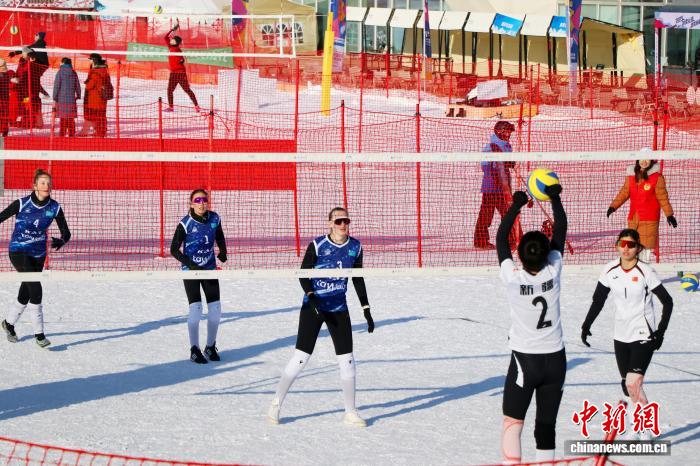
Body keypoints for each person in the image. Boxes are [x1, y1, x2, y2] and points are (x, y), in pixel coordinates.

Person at [268, 207, 374, 427]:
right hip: (314, 307)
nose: (343, 225)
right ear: (330, 223)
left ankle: (350, 412)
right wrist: (311, 296)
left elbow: (357, 278)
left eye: (346, 221)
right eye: (338, 221)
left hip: (338, 308)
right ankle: (276, 404)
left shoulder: (355, 247)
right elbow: (303, 274)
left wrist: (366, 308)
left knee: (347, 360)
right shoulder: (317, 245)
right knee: (301, 357)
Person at [496, 184, 567, 464]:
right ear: (547, 254)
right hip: (556, 360)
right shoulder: (554, 269)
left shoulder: (513, 277)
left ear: (520, 256)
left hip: (526, 361)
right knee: (546, 428)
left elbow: (501, 240)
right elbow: (560, 228)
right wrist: (554, 197)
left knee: (512, 424)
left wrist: (515, 206)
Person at [581, 228, 673, 438]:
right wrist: (586, 325)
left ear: (638, 248)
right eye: (622, 244)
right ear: (617, 245)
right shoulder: (609, 269)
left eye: (631, 245)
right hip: (621, 335)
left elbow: (668, 301)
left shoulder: (645, 272)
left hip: (643, 334)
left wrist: (660, 332)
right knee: (628, 385)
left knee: (633, 382)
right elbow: (598, 300)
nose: (626, 248)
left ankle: (644, 429)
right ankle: (639, 425)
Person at [0, 169, 71, 348]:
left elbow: (67, 233)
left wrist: (62, 240)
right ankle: (39, 334)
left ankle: (8, 324)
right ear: (35, 186)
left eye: (49, 183)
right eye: (42, 183)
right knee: (35, 288)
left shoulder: (54, 207)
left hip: (38, 254)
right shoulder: (21, 204)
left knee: (26, 291)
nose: (46, 186)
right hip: (18, 251)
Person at [170, 189, 227, 364]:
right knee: (196, 309)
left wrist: (223, 250)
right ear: (191, 204)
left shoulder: (214, 218)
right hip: (191, 270)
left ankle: (210, 346)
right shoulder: (185, 223)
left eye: (204, 200)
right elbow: (173, 249)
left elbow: (219, 235)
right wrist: (189, 263)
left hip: (209, 268)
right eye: (197, 200)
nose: (201, 203)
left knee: (215, 310)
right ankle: (194, 349)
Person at [607, 154, 677, 262]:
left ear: (651, 161)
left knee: (645, 249)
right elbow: (624, 193)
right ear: (638, 160)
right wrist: (613, 206)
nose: (644, 161)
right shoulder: (631, 177)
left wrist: (669, 215)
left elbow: (663, 198)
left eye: (647, 159)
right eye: (642, 159)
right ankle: (634, 270)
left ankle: (644, 271)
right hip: (634, 218)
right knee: (632, 247)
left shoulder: (656, 178)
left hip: (649, 219)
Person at [474, 120, 521, 250]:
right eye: (506, 132)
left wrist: (510, 163)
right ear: (499, 132)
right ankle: (481, 241)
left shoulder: (507, 146)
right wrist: (494, 175)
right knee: (486, 214)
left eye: (510, 132)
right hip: (491, 187)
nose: (508, 135)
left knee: (508, 214)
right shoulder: (491, 146)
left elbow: (506, 163)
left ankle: (510, 241)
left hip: (504, 187)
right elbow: (485, 165)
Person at [164, 21, 200, 113]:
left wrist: (182, 60)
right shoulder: (170, 47)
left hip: (180, 73)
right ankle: (171, 107)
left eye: (173, 39)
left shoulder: (177, 50)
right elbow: (165, 37)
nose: (171, 40)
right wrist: (172, 30)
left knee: (187, 90)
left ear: (176, 42)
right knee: (169, 90)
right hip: (173, 73)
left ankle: (196, 106)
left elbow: (181, 59)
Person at [9, 32, 50, 98]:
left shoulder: (39, 43)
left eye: (36, 35)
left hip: (40, 65)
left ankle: (42, 94)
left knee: (33, 79)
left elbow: (26, 48)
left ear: (39, 36)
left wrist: (15, 53)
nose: (34, 36)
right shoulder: (38, 44)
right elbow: (27, 49)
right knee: (33, 79)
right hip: (39, 64)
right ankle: (44, 94)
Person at [81, 56, 110, 137]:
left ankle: (99, 132)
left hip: (95, 98)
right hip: (102, 98)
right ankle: (101, 131)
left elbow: (89, 86)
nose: (90, 62)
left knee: (96, 116)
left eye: (91, 60)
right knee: (101, 115)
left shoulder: (96, 73)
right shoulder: (105, 71)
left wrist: (87, 82)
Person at [52, 57, 81, 137]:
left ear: (63, 63)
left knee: (63, 117)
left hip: (61, 99)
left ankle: (62, 133)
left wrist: (55, 97)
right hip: (71, 99)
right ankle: (71, 133)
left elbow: (56, 86)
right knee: (70, 118)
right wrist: (78, 94)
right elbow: (77, 85)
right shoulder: (73, 72)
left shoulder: (60, 72)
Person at [0, 59, 9, 136]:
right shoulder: (7, 74)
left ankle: (3, 129)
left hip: (2, 98)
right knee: (4, 114)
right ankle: (4, 130)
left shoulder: (2, 75)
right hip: (5, 98)